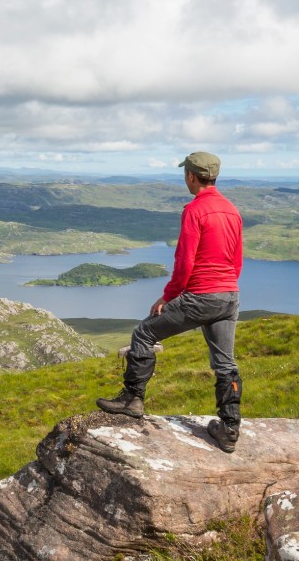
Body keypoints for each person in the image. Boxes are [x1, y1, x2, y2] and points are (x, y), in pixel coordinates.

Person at [95, 151, 246, 452]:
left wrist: (169, 296)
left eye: (185, 174)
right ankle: (229, 429)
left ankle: (132, 399)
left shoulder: (195, 210)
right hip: (229, 295)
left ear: (191, 176)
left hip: (202, 295)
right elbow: (237, 259)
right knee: (225, 363)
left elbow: (184, 261)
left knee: (144, 333)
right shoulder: (232, 210)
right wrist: (225, 289)